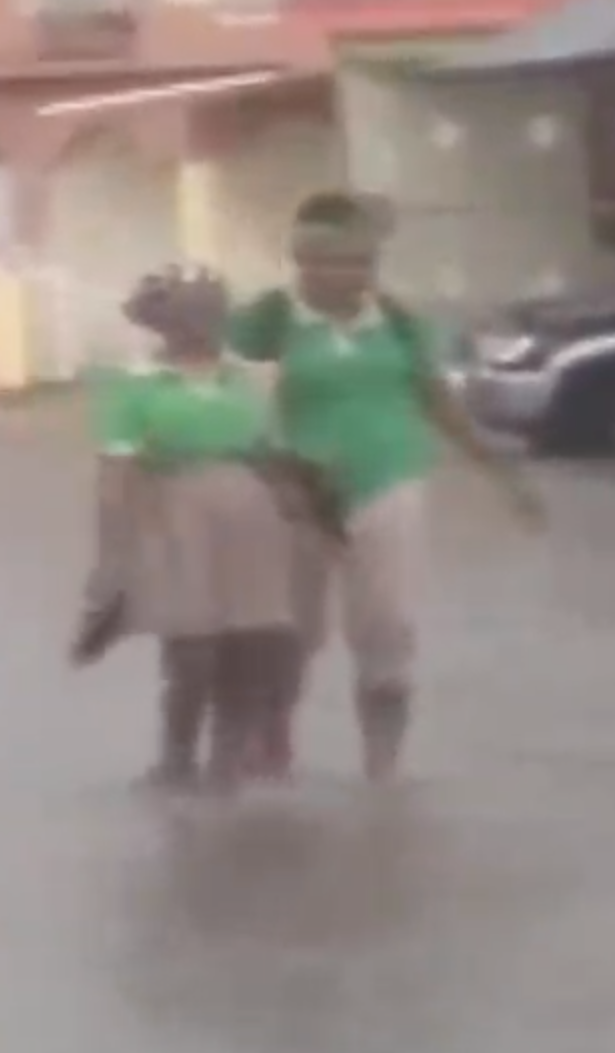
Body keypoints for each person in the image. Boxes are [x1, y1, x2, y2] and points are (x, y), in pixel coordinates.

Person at [228, 190, 545, 783]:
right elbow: (218, 376)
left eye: (359, 264)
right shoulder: (274, 317)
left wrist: (502, 475)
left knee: (388, 622)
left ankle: (382, 768)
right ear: (301, 263)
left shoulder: (399, 323)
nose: (345, 276)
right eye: (326, 263)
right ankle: (273, 734)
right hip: (300, 490)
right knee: (294, 627)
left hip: (389, 476)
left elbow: (437, 402)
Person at [71, 265, 300, 796]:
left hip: (251, 517)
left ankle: (226, 766)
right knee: (192, 648)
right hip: (170, 513)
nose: (198, 324)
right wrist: (111, 558)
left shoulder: (247, 381)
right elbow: (115, 475)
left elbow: (276, 458)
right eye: (185, 313)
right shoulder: (136, 387)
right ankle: (175, 761)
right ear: (160, 322)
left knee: (250, 645)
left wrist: (310, 522)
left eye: (208, 312)